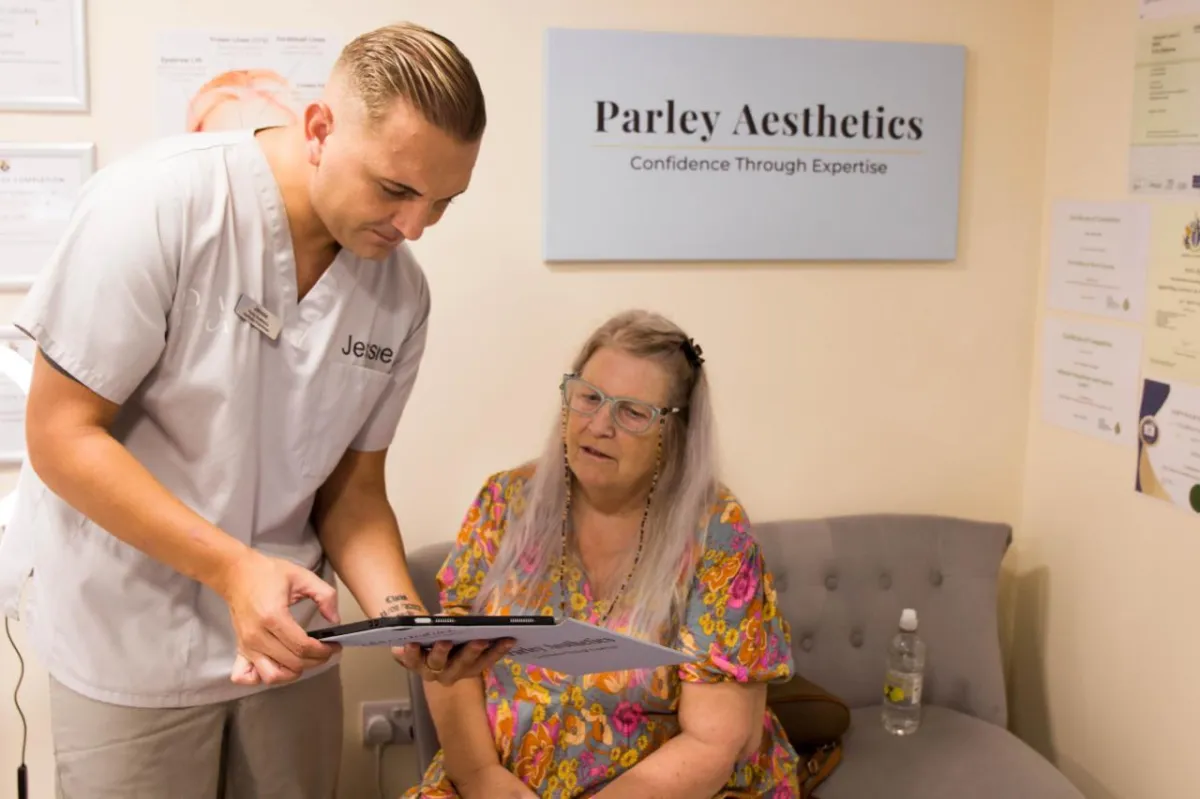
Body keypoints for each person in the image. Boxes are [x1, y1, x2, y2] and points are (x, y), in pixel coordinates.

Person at [0, 21, 511, 798]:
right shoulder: (159, 206)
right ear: (320, 129)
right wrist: (232, 569)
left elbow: (352, 492)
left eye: (443, 203)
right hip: (133, 643)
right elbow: (60, 434)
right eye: (396, 189)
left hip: (287, 653)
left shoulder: (400, 292)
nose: (414, 227)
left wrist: (403, 618)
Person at [405, 310, 802, 799]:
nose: (598, 425)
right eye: (589, 397)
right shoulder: (505, 501)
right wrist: (482, 777)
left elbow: (712, 742)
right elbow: (449, 665)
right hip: (500, 780)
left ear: (674, 431)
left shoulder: (717, 532)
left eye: (632, 412)